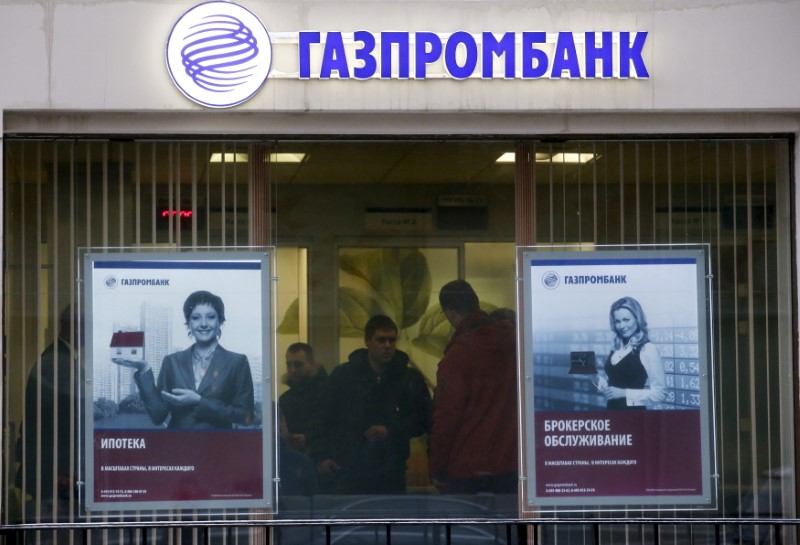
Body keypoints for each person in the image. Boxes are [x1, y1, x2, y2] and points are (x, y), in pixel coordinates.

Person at [312, 315, 431, 494]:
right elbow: (321, 417)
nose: (387, 346)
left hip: (390, 469)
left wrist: (391, 430)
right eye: (381, 340)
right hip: (349, 469)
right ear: (368, 341)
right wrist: (321, 457)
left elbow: (423, 418)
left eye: (392, 340)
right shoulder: (343, 376)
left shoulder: (408, 379)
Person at [114, 290, 255, 429]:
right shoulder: (172, 362)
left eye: (211, 317)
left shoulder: (237, 362)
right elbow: (158, 416)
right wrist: (143, 369)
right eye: (196, 318)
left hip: (219, 447)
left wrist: (199, 401)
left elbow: (246, 416)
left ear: (220, 321)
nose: (203, 324)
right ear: (188, 323)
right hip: (177, 446)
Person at [429, 280, 518, 495]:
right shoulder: (514, 345)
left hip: (467, 468)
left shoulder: (458, 357)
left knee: (470, 529)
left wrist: (437, 467)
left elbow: (447, 417)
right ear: (477, 304)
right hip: (511, 463)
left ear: (448, 313)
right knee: (511, 528)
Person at [16, 304, 83, 528]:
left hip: (52, 472)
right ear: (75, 327)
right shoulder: (59, 363)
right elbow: (65, 424)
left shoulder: (57, 358)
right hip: (56, 474)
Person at [597, 296, 667, 409]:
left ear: (637, 319)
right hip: (612, 413)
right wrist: (603, 383)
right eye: (617, 322)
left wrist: (624, 393)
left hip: (634, 417)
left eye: (626, 320)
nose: (622, 326)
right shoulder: (616, 346)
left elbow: (660, 393)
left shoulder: (648, 349)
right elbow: (617, 379)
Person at [279, 342, 327, 453]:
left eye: (298, 364)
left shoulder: (326, 393)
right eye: (289, 364)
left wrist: (308, 438)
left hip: (322, 459)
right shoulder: (285, 399)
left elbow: (334, 429)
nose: (292, 370)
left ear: (311, 364)